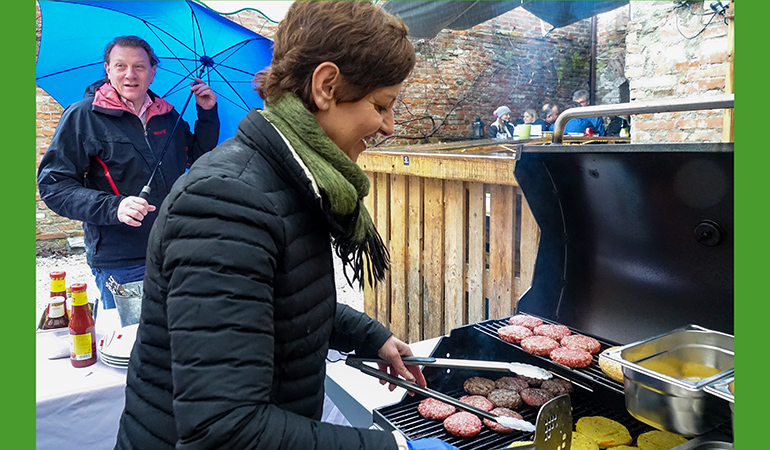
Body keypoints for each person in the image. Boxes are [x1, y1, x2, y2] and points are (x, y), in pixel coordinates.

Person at [114, 3, 457, 450]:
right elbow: (225, 430)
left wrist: (371, 336)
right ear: (326, 86)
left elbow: (272, 301)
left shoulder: (290, 177)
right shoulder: (224, 202)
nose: (388, 127)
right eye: (381, 105)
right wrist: (395, 447)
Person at [37, 35, 219, 310]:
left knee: (177, 335)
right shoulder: (84, 117)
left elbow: (196, 157)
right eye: (120, 66)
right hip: (122, 260)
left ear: (153, 72)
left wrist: (207, 113)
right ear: (108, 69)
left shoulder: (167, 115)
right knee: (130, 345)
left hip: (175, 248)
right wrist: (115, 206)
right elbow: (54, 185)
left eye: (139, 67)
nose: (130, 75)